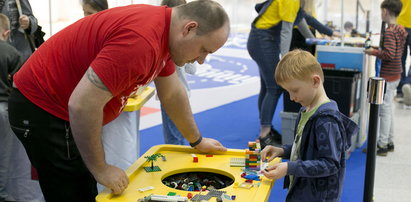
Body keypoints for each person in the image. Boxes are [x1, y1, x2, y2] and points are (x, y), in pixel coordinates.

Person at [7, 0, 229, 201]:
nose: (201, 61)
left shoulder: (163, 30)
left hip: (56, 105)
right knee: (74, 192)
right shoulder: (141, 41)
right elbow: (83, 104)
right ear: (189, 28)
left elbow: (172, 93)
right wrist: (101, 168)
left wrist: (196, 141)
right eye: (203, 50)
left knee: (82, 185)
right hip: (42, 106)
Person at [260, 49, 359, 201]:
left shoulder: (326, 121)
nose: (292, 97)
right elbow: (304, 148)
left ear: (315, 81)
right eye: (288, 92)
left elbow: (330, 164)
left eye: (294, 90)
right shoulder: (305, 111)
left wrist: (289, 168)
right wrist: (281, 151)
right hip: (302, 189)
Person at [247, 0, 316, 148]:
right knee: (274, 87)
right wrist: (286, 60)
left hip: (261, 40)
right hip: (262, 40)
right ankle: (264, 135)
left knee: (267, 86)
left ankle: (266, 128)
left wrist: (315, 40)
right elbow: (286, 31)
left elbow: (302, 21)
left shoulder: (295, 3)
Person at [364, 0, 407, 156]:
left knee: (384, 111)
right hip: (396, 74)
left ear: (386, 12)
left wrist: (372, 52)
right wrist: (377, 49)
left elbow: (389, 54)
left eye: (381, 11)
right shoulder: (400, 29)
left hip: (388, 75)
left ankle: (382, 145)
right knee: (388, 109)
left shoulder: (389, 31)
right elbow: (394, 51)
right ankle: (389, 141)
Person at [160, 0, 198, 145]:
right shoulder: (179, 41)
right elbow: (192, 69)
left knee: (174, 137)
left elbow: (191, 68)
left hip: (173, 95)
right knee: (177, 135)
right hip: (177, 93)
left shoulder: (170, 42)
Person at [0, 13, 22, 202]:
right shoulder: (11, 53)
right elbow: (19, 84)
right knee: (4, 156)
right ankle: (2, 194)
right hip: (4, 109)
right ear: (6, 32)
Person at [397, 0, 411, 97]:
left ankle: (400, 90)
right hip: (401, 22)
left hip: (400, 23)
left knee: (400, 59)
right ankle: (408, 83)